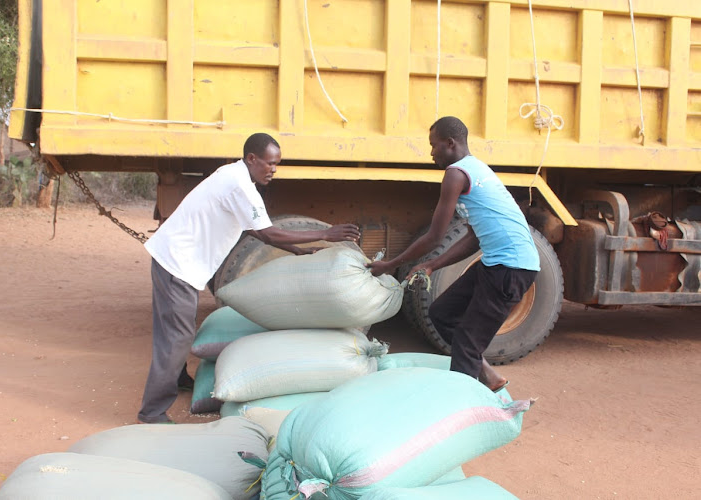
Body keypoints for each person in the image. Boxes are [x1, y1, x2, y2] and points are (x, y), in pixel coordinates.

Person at [138, 132, 360, 423]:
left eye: (277, 164)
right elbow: (267, 231)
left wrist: (295, 249)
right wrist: (324, 233)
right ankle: (152, 411)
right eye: (269, 163)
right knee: (177, 337)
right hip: (178, 263)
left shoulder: (232, 174)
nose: (273, 170)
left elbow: (256, 229)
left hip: (174, 258)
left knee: (173, 331)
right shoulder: (241, 186)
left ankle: (177, 378)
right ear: (252, 159)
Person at [368, 116, 539, 392]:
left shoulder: (456, 174)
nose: (431, 152)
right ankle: (488, 375)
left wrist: (390, 264)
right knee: (442, 314)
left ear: (450, 143)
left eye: (434, 146)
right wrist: (432, 265)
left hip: (510, 268)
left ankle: (463, 405)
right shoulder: (476, 168)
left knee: (467, 343)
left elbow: (435, 236)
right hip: (496, 263)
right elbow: (473, 238)